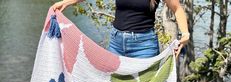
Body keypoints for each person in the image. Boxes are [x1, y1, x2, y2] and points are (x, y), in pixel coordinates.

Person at [52, 0, 190, 59]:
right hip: (116, 44)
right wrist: (66, 2)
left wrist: (185, 33)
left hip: (144, 46)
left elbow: (177, 8)